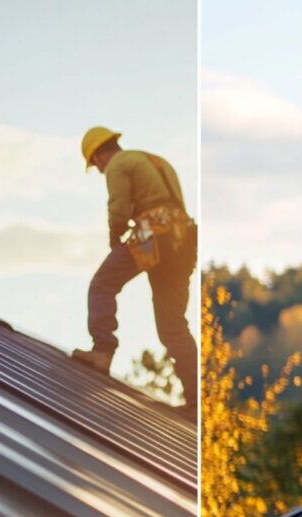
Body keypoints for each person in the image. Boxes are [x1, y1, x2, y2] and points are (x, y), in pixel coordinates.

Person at [72, 126, 199, 415]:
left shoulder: (118, 165)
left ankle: (102, 350)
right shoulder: (154, 160)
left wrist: (114, 238)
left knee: (102, 284)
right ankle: (196, 403)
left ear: (98, 158)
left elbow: (118, 207)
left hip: (154, 233)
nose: (100, 171)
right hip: (183, 240)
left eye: (95, 166)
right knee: (173, 325)